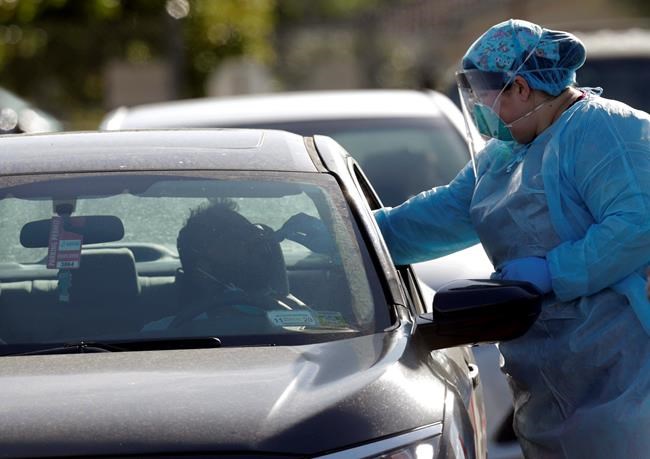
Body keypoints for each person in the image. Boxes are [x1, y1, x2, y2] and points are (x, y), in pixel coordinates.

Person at [374, 19, 650, 458]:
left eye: (485, 94)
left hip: (624, 376)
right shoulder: (502, 158)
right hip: (547, 383)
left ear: (521, 87)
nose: (479, 106)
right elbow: (435, 217)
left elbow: (639, 223)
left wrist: (555, 272)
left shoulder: (605, 130)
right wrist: (349, 233)